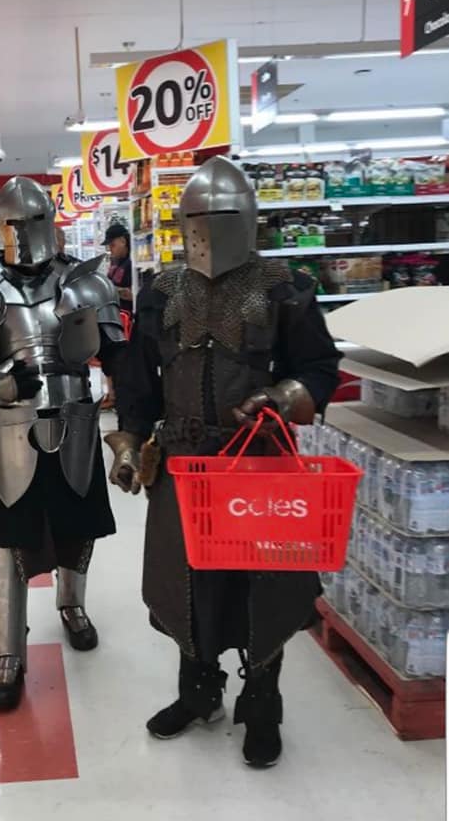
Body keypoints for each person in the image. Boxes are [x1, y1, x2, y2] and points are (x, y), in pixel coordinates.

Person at [106, 156, 341, 768]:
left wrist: (281, 396)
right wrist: (130, 443)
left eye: (222, 218)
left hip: (258, 458)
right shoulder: (162, 292)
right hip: (183, 459)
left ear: (248, 219)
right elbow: (138, 381)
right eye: (199, 221)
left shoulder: (284, 288)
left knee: (263, 583)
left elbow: (319, 368)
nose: (209, 233)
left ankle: (262, 705)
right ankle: (199, 692)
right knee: (188, 581)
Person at [0, 176, 126, 711]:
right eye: (14, 223)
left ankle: (72, 605)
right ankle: (7, 654)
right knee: (10, 538)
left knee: (78, 526)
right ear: (0, 228)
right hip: (12, 423)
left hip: (77, 418)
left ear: (49, 222)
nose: (24, 232)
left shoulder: (84, 281)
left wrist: (130, 422)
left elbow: (116, 352)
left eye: (34, 221)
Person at [101, 223, 132, 409]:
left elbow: (133, 293)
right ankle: (112, 394)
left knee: (122, 360)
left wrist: (111, 290)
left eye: (112, 244)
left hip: (128, 321)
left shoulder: (132, 264)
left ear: (122, 241)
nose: (110, 249)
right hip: (114, 318)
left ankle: (120, 396)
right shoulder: (115, 263)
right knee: (108, 356)